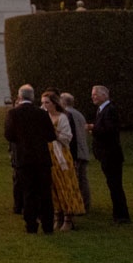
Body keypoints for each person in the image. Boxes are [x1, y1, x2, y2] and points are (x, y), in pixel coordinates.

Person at [3, 85, 57, 234]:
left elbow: (8, 135)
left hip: (23, 159)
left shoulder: (13, 113)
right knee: (45, 192)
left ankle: (31, 225)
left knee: (28, 192)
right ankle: (47, 225)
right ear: (32, 97)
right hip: (41, 159)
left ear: (19, 97)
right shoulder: (42, 114)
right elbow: (51, 136)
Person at [42, 93, 84, 230]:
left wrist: (54, 132)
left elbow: (67, 137)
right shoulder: (43, 117)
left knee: (65, 184)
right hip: (47, 154)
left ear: (54, 103)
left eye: (47, 102)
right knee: (53, 186)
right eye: (43, 103)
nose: (44, 105)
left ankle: (68, 217)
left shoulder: (62, 117)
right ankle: (57, 215)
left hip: (60, 154)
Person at [91, 84, 130, 223]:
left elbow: (110, 131)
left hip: (111, 154)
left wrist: (93, 129)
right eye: (92, 94)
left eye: (95, 94)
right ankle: (119, 213)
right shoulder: (102, 110)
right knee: (113, 184)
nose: (93, 97)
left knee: (115, 185)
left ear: (104, 95)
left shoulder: (110, 110)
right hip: (106, 153)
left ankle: (121, 215)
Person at [60, 91, 93, 212]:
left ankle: (83, 204)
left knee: (79, 179)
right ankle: (85, 203)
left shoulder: (68, 114)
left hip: (77, 152)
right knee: (82, 178)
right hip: (82, 150)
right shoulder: (79, 114)